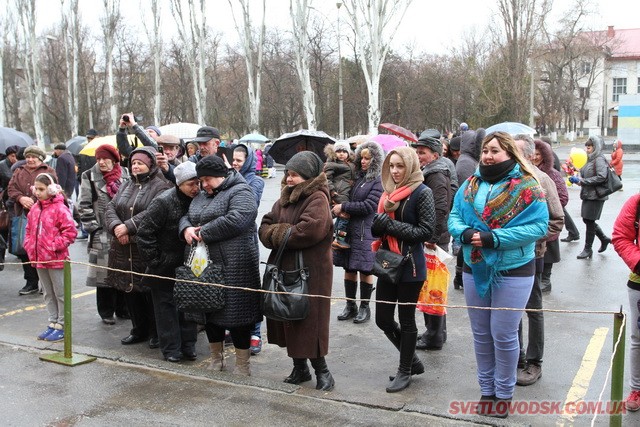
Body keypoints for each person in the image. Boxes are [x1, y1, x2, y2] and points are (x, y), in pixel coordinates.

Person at [448, 131, 548, 418]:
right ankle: (486, 390)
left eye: (495, 151)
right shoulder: (470, 183)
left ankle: (503, 393)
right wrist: (465, 232)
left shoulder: (528, 185)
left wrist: (495, 238)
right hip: (474, 265)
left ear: (509, 154)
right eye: (485, 151)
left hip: (514, 270)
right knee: (481, 334)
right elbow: (454, 216)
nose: (488, 156)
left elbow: (539, 227)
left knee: (503, 334)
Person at [259, 151, 335, 391]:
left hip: (312, 272)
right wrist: (282, 231)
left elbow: (308, 231)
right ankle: (299, 368)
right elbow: (264, 226)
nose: (289, 179)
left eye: (294, 175)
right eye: (288, 174)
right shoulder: (286, 197)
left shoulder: (318, 198)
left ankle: (323, 371)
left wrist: (279, 232)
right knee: (288, 318)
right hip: (285, 267)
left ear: (308, 176)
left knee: (310, 322)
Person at [180, 155, 261, 376]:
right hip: (204, 265)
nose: (203, 185)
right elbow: (187, 216)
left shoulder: (241, 191)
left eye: (208, 179)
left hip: (235, 265)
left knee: (238, 317)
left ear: (221, 175)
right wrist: (186, 228)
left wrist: (203, 232)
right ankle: (217, 358)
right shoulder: (203, 195)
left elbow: (239, 217)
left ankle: (243, 365)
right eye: (201, 180)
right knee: (209, 312)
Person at [371, 146, 435, 393]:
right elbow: (379, 230)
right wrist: (379, 227)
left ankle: (405, 369)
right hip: (387, 261)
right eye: (392, 166)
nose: (395, 171)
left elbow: (426, 232)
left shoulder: (422, 192)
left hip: (410, 265)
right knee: (383, 319)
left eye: (400, 166)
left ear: (410, 166)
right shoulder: (388, 193)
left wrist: (390, 225)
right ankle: (413, 361)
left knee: (407, 320)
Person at [105, 147, 173, 348]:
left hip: (145, 247)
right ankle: (138, 329)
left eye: (140, 163)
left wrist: (128, 227)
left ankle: (155, 332)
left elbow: (154, 212)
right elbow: (111, 207)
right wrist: (117, 227)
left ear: (150, 164)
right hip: (123, 248)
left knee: (148, 292)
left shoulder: (161, 186)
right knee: (130, 290)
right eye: (133, 163)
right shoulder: (126, 184)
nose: (135, 166)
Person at [513, 134, 564, 388]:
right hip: (506, 257)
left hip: (533, 255)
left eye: (517, 152)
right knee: (510, 309)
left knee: (532, 308)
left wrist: (525, 237)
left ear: (532, 155)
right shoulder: (505, 179)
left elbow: (557, 220)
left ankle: (534, 362)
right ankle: (516, 358)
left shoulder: (541, 180)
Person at [137, 162, 200, 363]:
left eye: (198, 182)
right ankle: (171, 349)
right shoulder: (163, 202)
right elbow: (145, 232)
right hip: (164, 266)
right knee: (166, 310)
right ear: (180, 183)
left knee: (190, 307)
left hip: (190, 264)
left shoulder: (199, 200)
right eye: (191, 183)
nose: (196, 187)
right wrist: (156, 261)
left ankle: (188, 346)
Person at [333, 141, 384, 324]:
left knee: (365, 269)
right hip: (349, 230)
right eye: (361, 157)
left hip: (365, 231)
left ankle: (364, 307)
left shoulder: (378, 180)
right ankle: (350, 305)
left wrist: (344, 206)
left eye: (367, 158)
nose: (363, 161)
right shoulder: (357, 178)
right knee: (349, 267)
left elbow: (370, 205)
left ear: (375, 160)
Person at [78, 144, 130, 324]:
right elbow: (83, 206)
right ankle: (106, 311)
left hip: (123, 230)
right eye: (98, 159)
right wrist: (94, 228)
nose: (101, 162)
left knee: (124, 271)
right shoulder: (89, 176)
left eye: (104, 159)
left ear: (114, 160)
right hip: (102, 233)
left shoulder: (126, 174)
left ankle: (124, 309)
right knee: (104, 276)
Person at [24, 173, 77, 342]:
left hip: (55, 258)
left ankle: (63, 324)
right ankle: (52, 322)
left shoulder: (60, 209)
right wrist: (29, 245)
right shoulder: (34, 209)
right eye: (36, 189)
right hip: (39, 258)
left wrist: (53, 246)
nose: (38, 193)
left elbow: (70, 232)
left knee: (60, 293)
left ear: (52, 189)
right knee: (47, 293)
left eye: (41, 189)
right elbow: (29, 230)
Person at [412, 130, 453, 351]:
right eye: (417, 152)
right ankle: (436, 332)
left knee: (434, 287)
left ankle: (434, 335)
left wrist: (432, 237)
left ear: (435, 155)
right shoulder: (430, 172)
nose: (419, 156)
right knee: (431, 286)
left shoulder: (436, 175)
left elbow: (440, 208)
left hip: (434, 239)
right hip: (433, 237)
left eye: (423, 153)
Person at [7, 146, 58, 296]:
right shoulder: (19, 171)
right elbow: (11, 188)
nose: (29, 159)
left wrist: (35, 200)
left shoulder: (48, 171)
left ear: (40, 158)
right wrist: (21, 198)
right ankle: (31, 282)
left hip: (45, 215)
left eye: (33, 157)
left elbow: (53, 189)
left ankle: (47, 283)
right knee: (24, 249)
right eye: (27, 157)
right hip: (22, 215)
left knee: (43, 248)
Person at [230, 143, 265, 355]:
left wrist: (232, 176)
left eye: (239, 161)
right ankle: (232, 329)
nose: (234, 164)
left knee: (251, 285)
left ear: (248, 161)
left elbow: (249, 203)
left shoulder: (256, 180)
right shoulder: (229, 177)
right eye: (233, 159)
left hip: (248, 239)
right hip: (229, 240)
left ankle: (256, 333)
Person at [612, 194, 640, 412]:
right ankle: (637, 388)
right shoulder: (637, 202)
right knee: (638, 339)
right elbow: (620, 236)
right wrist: (638, 263)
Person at [533, 139, 568, 293]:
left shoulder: (551, 174)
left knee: (548, 254)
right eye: (532, 153)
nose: (534, 156)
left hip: (548, 221)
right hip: (536, 222)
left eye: (538, 154)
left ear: (545, 155)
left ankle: (546, 280)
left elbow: (563, 197)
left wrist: (545, 207)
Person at [569, 135, 612, 259]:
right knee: (587, 220)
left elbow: (602, 176)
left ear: (595, 147)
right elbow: (583, 172)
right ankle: (604, 239)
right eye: (586, 147)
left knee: (589, 221)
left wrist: (583, 182)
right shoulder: (591, 159)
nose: (587, 150)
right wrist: (574, 170)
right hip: (589, 194)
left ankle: (588, 249)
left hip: (597, 195)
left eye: (589, 147)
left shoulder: (599, 159)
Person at [452, 130, 480, 289]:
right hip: (467, 212)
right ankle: (460, 277)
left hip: (467, 210)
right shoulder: (466, 162)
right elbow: (467, 190)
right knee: (465, 245)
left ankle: (460, 277)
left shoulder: (466, 160)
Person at [324, 141, 356, 250]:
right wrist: (332, 191)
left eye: (344, 151)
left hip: (346, 192)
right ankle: (340, 239)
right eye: (338, 151)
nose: (341, 154)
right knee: (345, 217)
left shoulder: (350, 163)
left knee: (340, 217)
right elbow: (326, 178)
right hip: (339, 193)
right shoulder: (332, 164)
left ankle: (335, 238)